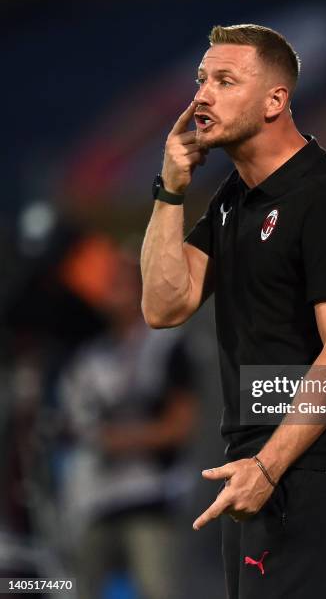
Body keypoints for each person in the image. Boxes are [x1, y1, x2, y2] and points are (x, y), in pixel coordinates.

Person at [141, 24, 326, 599]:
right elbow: (163, 306)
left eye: (226, 81)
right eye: (201, 80)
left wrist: (269, 467)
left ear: (276, 101)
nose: (202, 95)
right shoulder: (234, 197)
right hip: (252, 462)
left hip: (306, 466)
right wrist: (171, 188)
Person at [58, 248, 198, 599]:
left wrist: (120, 439)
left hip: (152, 495)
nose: (110, 293)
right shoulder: (88, 358)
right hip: (96, 498)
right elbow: (72, 424)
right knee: (75, 587)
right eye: (106, 285)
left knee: (157, 588)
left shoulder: (167, 346)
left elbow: (180, 425)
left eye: (118, 284)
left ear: (140, 288)